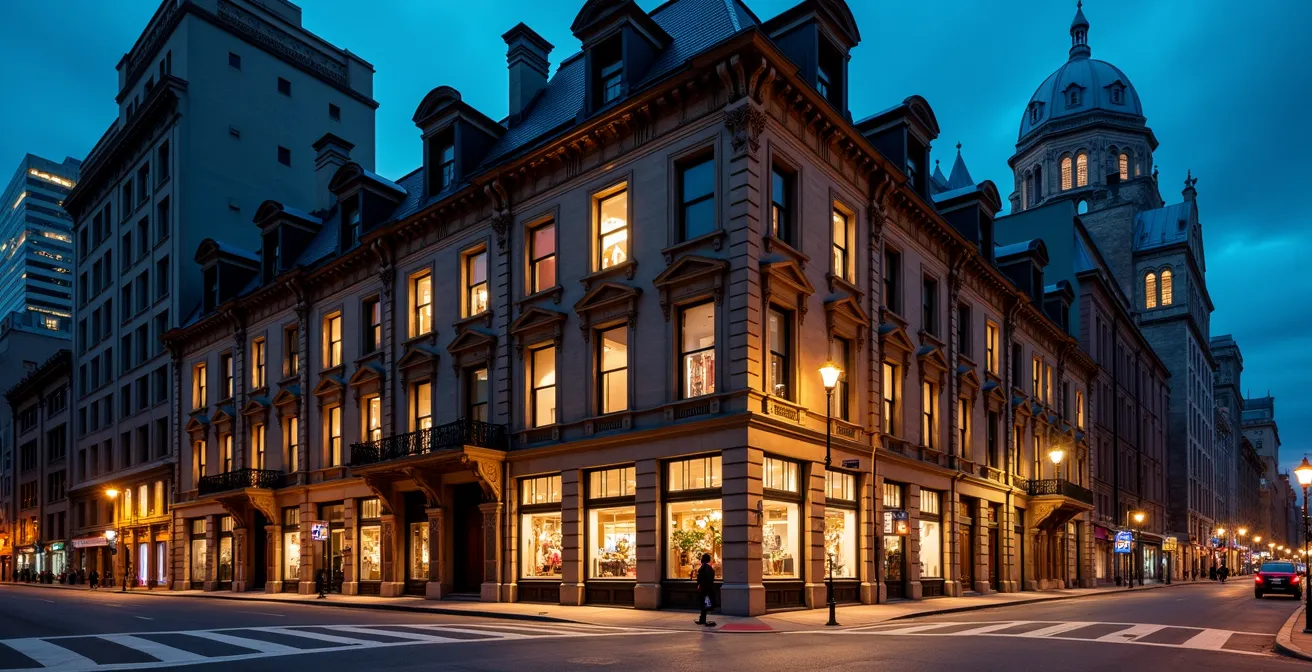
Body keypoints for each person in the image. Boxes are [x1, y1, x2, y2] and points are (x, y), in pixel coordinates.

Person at [695, 553, 716, 627]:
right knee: (705, 604)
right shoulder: (710, 568)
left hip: (704, 588)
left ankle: (702, 620)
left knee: (703, 604)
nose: (701, 559)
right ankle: (702, 619)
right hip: (708, 588)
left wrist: (700, 584)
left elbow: (700, 578)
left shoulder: (703, 567)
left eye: (702, 558)